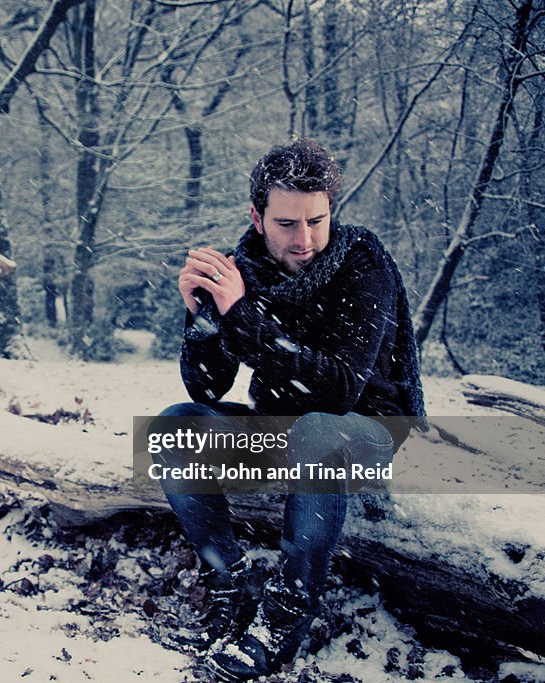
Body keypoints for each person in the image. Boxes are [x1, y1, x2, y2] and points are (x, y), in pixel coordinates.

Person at [153, 139, 426, 681]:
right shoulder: (242, 271)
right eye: (286, 224)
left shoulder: (360, 260)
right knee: (175, 424)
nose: (304, 240)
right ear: (257, 217)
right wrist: (203, 317)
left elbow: (339, 391)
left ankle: (287, 614)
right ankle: (229, 586)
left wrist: (240, 315)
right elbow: (207, 387)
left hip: (366, 430)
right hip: (286, 429)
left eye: (316, 220)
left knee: (319, 430)